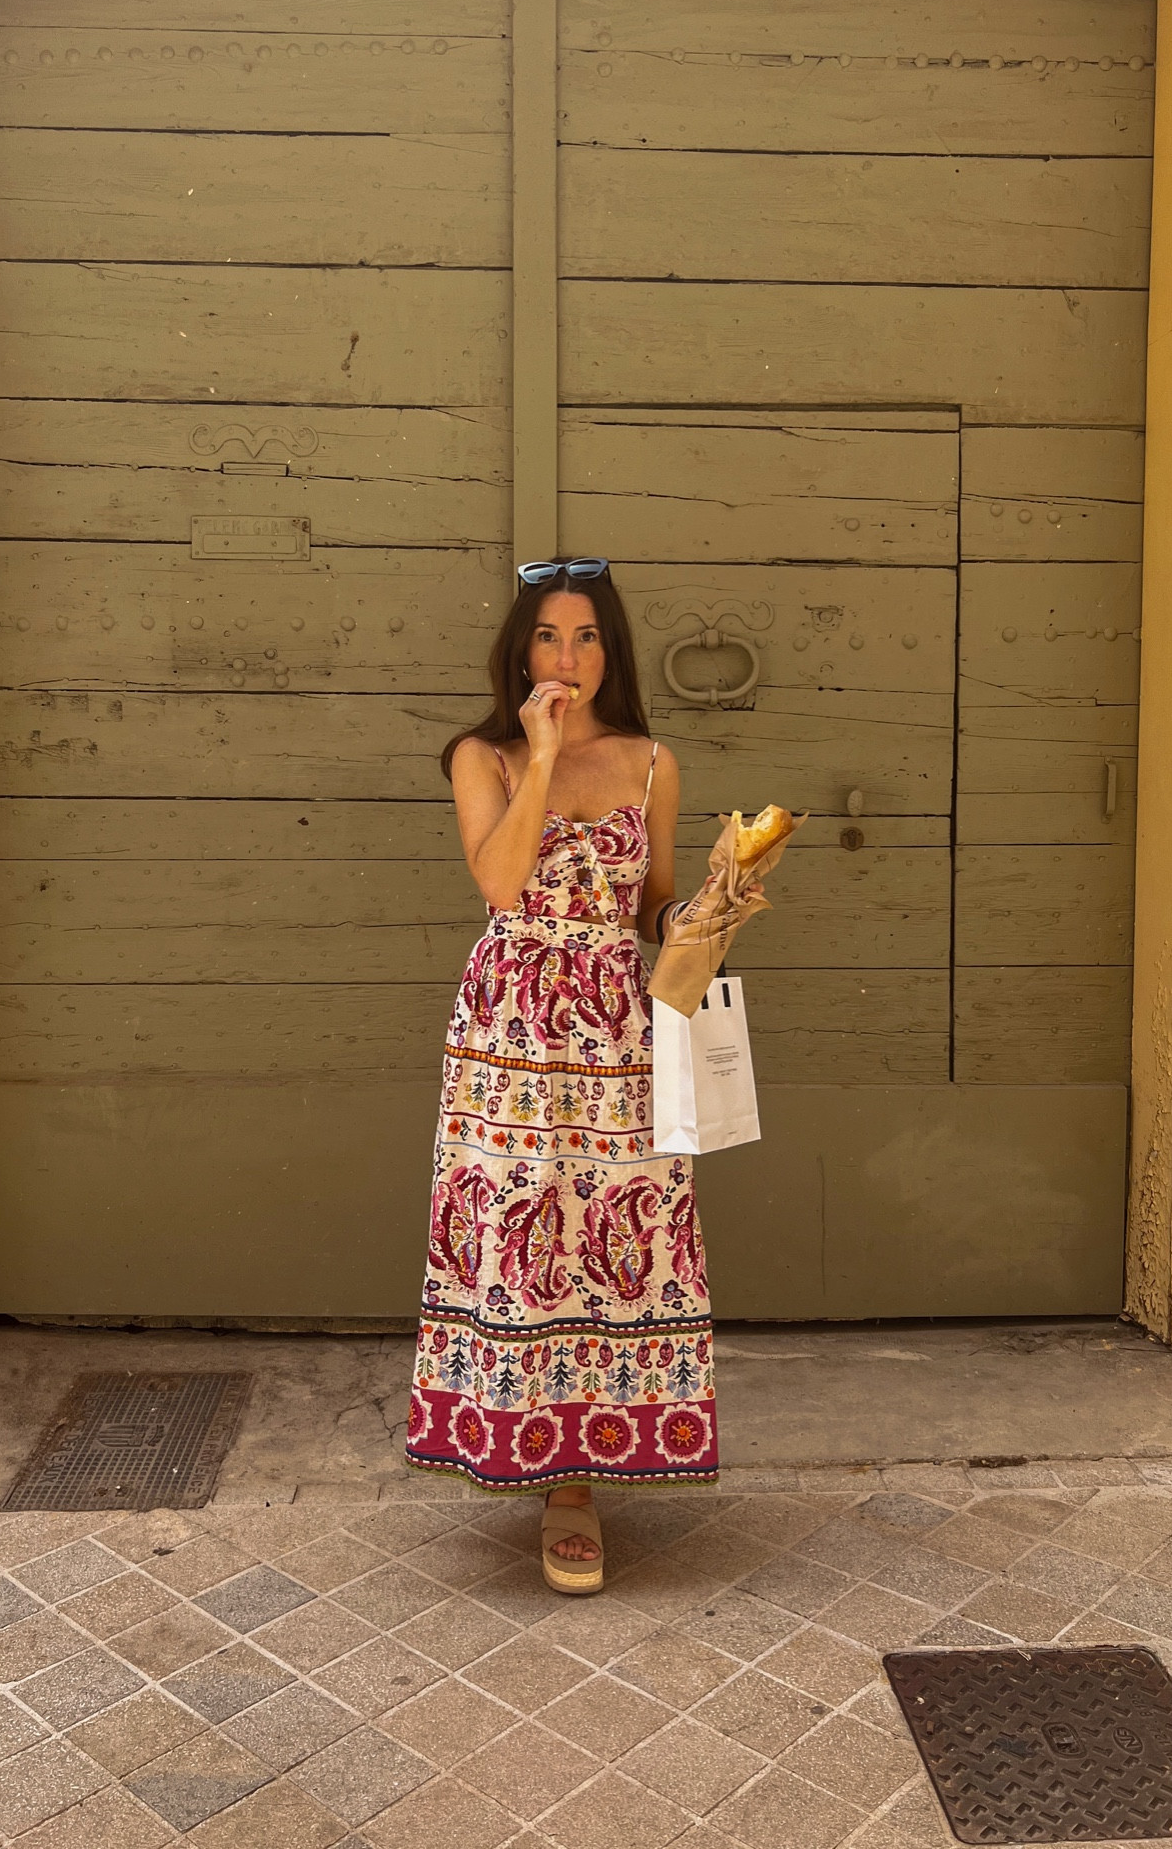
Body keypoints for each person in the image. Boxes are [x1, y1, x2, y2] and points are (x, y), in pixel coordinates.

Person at [404, 558, 717, 1595]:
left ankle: (582, 1478)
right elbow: (500, 882)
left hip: (618, 1027)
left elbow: (651, 905)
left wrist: (709, 912)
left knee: (613, 1234)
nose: (567, 658)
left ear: (610, 652)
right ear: (520, 649)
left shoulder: (652, 761)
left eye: (586, 637)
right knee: (525, 1233)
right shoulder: (481, 756)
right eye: (547, 636)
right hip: (511, 1031)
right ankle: (538, 1462)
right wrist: (538, 756)